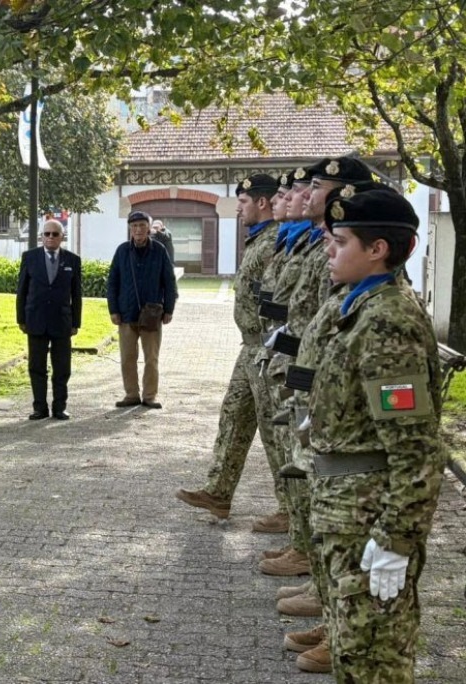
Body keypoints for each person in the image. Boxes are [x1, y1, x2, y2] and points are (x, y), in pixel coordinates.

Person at [303, 187, 443, 682]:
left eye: (339, 241)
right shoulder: (361, 308)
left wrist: (396, 540)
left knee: (374, 662)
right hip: (344, 511)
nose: (328, 249)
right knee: (352, 654)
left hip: (368, 519)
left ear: (377, 249)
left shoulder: (388, 321)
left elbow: (418, 448)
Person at [175, 174, 287, 530]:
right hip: (249, 347)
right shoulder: (258, 239)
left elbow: (281, 300)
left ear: (262, 202)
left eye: (243, 203)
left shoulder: (274, 242)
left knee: (274, 430)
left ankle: (289, 509)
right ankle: (219, 492)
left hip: (268, 348)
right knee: (234, 416)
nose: (238, 210)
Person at [106, 210, 177, 409]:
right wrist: (113, 309)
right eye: (134, 226)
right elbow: (112, 282)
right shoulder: (122, 251)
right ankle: (131, 394)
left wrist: (169, 308)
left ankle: (150, 395)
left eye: (142, 226)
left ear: (148, 228)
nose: (138, 230)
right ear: (130, 229)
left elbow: (169, 282)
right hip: (126, 313)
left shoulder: (159, 250)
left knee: (151, 358)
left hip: (152, 314)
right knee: (127, 357)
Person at [16, 219, 82, 420]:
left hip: (62, 321)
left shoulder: (72, 260)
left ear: (62, 237)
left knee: (62, 367)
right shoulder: (30, 257)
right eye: (47, 234)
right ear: (41, 237)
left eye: (55, 234)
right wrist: (21, 319)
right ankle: (39, 407)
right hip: (36, 320)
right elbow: (22, 290)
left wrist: (76, 322)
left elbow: (76, 294)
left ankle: (60, 407)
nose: (50, 238)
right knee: (37, 367)